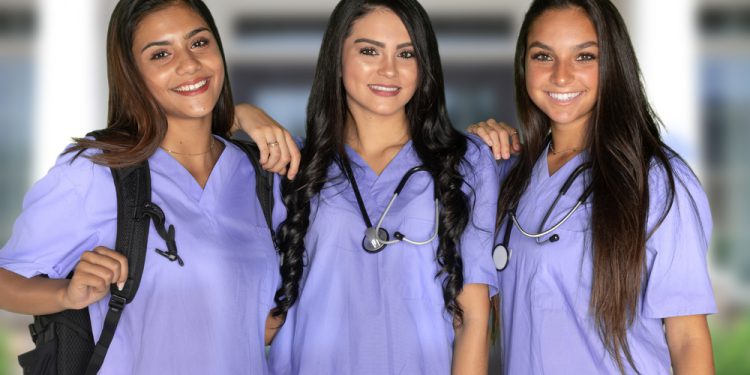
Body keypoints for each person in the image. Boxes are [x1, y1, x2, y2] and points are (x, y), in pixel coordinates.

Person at [0, 1, 286, 373]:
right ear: (132, 74)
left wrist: (245, 112)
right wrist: (63, 294)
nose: (188, 64)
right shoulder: (96, 172)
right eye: (161, 54)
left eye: (199, 43)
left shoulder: (264, 174)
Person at [470, 0, 716, 373]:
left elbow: (688, 339)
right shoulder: (510, 176)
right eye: (543, 56)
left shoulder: (657, 181)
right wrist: (472, 154)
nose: (562, 75)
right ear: (523, 66)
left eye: (584, 57)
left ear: (613, 64)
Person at [259, 0, 500, 373]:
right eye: (369, 50)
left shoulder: (467, 162)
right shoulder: (293, 163)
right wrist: (245, 113)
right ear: (336, 59)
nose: (389, 70)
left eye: (406, 54)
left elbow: (473, 319)